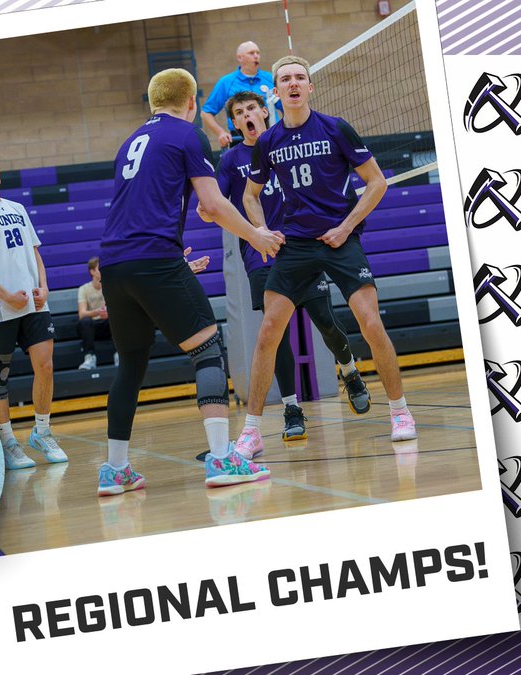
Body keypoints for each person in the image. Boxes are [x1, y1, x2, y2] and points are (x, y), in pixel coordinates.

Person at [96, 67, 284, 496]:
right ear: (193, 103)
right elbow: (214, 204)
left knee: (130, 364)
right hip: (153, 258)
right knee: (206, 349)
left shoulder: (129, 142)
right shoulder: (186, 134)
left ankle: (115, 469)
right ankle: (222, 459)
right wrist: (255, 234)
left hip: (114, 264)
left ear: (151, 102)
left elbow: (144, 201)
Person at [235, 56, 417, 460]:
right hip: (296, 243)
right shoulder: (267, 142)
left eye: (301, 77)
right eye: (286, 79)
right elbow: (249, 195)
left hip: (340, 238)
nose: (294, 83)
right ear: (276, 92)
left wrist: (347, 226)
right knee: (268, 332)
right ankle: (251, 432)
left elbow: (376, 182)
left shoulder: (335, 128)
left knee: (370, 322)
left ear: (310, 87)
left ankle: (400, 413)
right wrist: (261, 232)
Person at [198, 91, 370, 444]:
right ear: (234, 123)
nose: (246, 115)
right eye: (238, 113)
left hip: (302, 245)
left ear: (264, 111)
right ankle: (292, 408)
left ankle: (349, 369)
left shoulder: (286, 141)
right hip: (261, 253)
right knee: (275, 332)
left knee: (325, 321)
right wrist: (209, 212)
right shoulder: (232, 161)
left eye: (250, 109)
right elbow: (217, 204)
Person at [0, 146, 69, 470]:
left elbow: (35, 254)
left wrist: (44, 287)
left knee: (45, 365)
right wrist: (5, 295)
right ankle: (7, 441)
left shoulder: (17, 208)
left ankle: (42, 432)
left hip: (34, 304)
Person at [201, 41, 278, 148]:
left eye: (258, 53)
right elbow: (206, 113)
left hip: (271, 135)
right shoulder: (226, 82)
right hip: (240, 138)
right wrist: (220, 133)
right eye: (251, 53)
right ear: (240, 57)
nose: (256, 56)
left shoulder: (270, 78)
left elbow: (285, 106)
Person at [76, 257, 112, 371]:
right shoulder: (84, 289)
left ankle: (120, 356)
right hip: (93, 327)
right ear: (92, 271)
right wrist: (97, 312)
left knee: (118, 318)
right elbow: (82, 314)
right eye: (100, 268)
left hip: (109, 324)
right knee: (85, 321)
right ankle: (89, 358)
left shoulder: (111, 285)